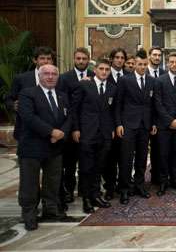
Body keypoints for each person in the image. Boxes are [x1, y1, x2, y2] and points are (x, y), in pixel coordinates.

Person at [17, 64, 71, 231]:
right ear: (39, 76)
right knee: (30, 183)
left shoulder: (62, 96)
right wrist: (51, 132)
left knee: (52, 181)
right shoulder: (27, 94)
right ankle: (29, 214)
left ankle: (50, 209)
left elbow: (69, 116)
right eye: (46, 73)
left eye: (54, 74)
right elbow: (28, 117)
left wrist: (62, 132)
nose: (50, 77)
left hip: (55, 148)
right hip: (32, 146)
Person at [71, 58, 115, 213]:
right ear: (95, 70)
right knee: (86, 167)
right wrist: (75, 129)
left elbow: (112, 112)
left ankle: (96, 195)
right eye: (101, 69)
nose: (104, 72)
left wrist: (112, 129)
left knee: (99, 166)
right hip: (87, 133)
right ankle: (86, 199)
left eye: (107, 69)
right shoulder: (84, 85)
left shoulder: (111, 88)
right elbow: (74, 109)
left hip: (104, 135)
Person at [115, 49, 157, 204]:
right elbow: (118, 104)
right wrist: (118, 123)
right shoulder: (125, 80)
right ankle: (125, 189)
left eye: (145, 64)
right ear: (134, 65)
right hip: (128, 125)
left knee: (141, 158)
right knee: (126, 158)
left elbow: (153, 105)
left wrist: (152, 123)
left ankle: (139, 185)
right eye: (140, 64)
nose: (142, 67)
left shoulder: (152, 81)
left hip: (145, 125)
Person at [57, 47, 94, 205]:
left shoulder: (94, 76)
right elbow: (64, 103)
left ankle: (86, 191)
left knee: (87, 162)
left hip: (90, 127)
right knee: (70, 163)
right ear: (74, 59)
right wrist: (73, 128)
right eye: (78, 58)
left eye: (84, 59)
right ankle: (69, 191)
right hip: (71, 126)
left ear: (88, 59)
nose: (81, 61)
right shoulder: (65, 78)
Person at [154, 52, 176, 195]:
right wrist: (170, 120)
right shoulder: (160, 81)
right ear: (167, 63)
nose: (174, 64)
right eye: (172, 62)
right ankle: (163, 182)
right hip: (164, 125)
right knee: (163, 154)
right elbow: (158, 103)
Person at [5, 46, 55, 142]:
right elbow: (8, 99)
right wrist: (13, 105)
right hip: (26, 132)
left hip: (51, 132)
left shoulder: (58, 79)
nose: (45, 61)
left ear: (52, 61)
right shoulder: (21, 79)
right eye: (42, 58)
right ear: (34, 60)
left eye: (49, 58)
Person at [103, 47, 128, 200]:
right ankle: (109, 187)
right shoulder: (103, 73)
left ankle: (123, 185)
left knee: (124, 157)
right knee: (109, 158)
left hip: (125, 125)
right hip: (107, 123)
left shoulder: (129, 76)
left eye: (122, 58)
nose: (119, 60)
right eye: (117, 57)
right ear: (112, 59)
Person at [147, 46, 165, 186]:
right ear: (149, 56)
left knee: (159, 149)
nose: (157, 57)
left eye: (159, 55)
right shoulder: (142, 71)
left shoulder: (164, 73)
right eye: (154, 55)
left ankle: (158, 177)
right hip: (144, 117)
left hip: (161, 119)